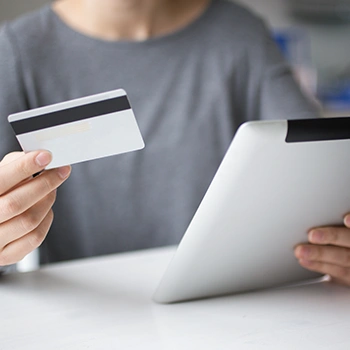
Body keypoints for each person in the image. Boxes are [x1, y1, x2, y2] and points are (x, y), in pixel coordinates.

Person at [0, 0, 349, 285]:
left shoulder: (239, 34)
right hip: (91, 315)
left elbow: (322, 169)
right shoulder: (15, 52)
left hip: (228, 304)